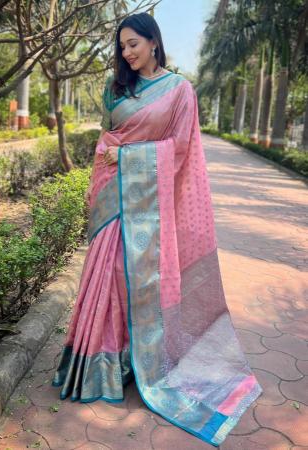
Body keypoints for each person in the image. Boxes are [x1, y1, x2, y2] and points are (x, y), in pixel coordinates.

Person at [52, 12, 262, 447]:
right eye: (122, 46)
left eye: (133, 44)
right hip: (114, 199)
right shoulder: (116, 89)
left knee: (142, 286)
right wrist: (115, 156)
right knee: (107, 277)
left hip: (149, 201)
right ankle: (101, 365)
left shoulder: (180, 90)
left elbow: (181, 149)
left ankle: (140, 362)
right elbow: (106, 140)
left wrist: (129, 158)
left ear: (153, 42)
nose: (127, 53)